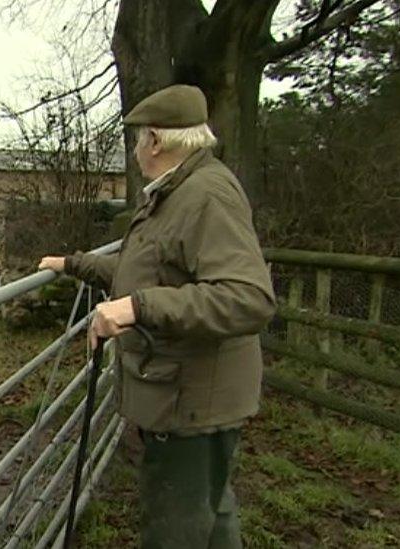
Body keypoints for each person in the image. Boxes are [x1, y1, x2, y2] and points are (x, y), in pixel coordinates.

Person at [38, 84, 276, 548]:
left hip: (190, 401)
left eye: (137, 140)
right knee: (209, 511)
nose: (134, 150)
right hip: (185, 392)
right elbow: (145, 269)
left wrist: (136, 308)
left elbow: (248, 297)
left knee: (178, 527)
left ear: (156, 142)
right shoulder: (176, 192)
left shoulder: (205, 196)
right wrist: (75, 264)